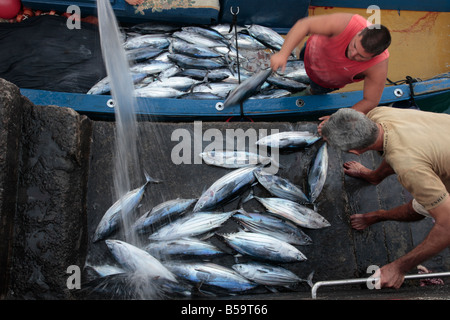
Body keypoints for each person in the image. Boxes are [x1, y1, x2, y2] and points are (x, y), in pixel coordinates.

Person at [320, 106, 450, 289]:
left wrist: (400, 267)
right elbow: (395, 149)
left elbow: (447, 224)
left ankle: (379, 215)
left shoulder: (410, 169)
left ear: (355, 152)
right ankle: (373, 179)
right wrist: (335, 122)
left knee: (424, 207)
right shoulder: (379, 114)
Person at [271, 13, 391, 115]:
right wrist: (283, 54)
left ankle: (310, 92)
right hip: (309, 52)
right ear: (359, 33)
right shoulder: (346, 23)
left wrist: (340, 118)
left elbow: (370, 101)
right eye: (354, 46)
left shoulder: (378, 66)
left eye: (361, 56)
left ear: (374, 56)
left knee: (315, 91)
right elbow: (304, 25)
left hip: (323, 83)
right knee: (299, 59)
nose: (353, 54)